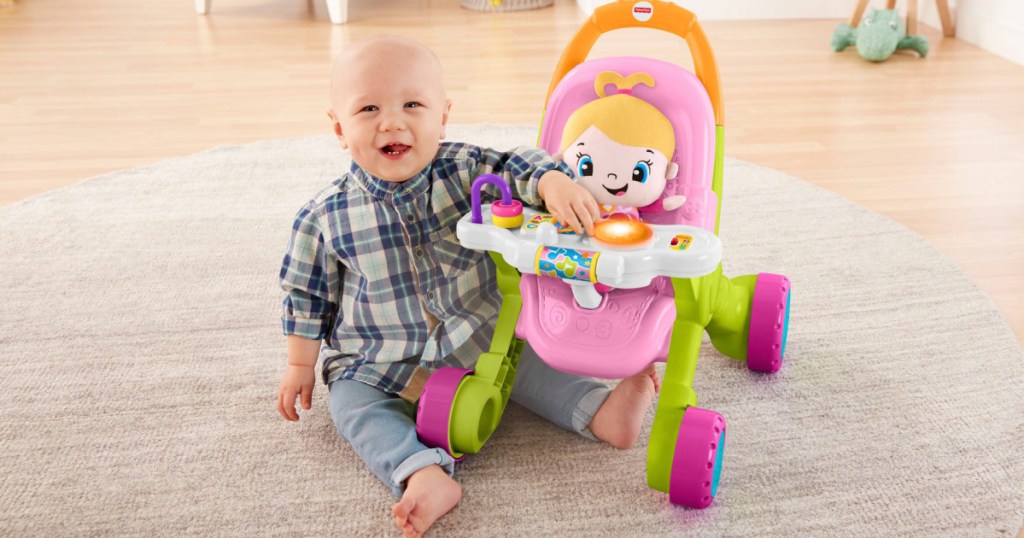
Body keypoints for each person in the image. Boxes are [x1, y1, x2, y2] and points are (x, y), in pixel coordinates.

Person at [276, 35, 660, 538]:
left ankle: (604, 411)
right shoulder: (322, 217)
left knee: (535, 361)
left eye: (412, 104)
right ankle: (421, 473)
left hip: (482, 341)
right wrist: (299, 364)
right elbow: (306, 296)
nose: (391, 122)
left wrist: (550, 183)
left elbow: (516, 165)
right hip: (379, 359)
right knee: (349, 405)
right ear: (339, 128)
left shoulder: (466, 170)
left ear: (442, 116)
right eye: (368, 108)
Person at [555, 71, 686, 220]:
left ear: (668, 171)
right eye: (586, 167)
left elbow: (653, 207)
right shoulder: (580, 200)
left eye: (639, 173)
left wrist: (665, 204)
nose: (613, 178)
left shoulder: (633, 203)